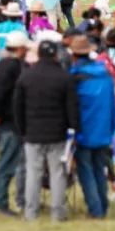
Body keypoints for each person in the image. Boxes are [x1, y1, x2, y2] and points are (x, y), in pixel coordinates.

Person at [13, 39, 79, 221]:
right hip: (57, 134)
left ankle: (30, 212)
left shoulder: (26, 76)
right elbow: (72, 107)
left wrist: (22, 130)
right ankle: (58, 212)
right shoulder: (64, 77)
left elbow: (17, 107)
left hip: (32, 133)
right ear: (56, 55)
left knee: (33, 173)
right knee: (57, 173)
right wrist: (73, 129)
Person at [68, 34, 115, 219]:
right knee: (100, 169)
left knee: (86, 171)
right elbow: (114, 105)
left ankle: (95, 209)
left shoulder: (74, 78)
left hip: (84, 131)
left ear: (73, 55)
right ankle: (103, 206)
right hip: (104, 129)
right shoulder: (105, 74)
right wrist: (112, 126)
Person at [0, 30, 29, 217]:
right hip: (9, 122)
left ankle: (4, 199)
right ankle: (0, 202)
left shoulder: (7, 65)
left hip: (8, 120)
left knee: (10, 162)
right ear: (20, 48)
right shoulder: (10, 67)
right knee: (7, 164)